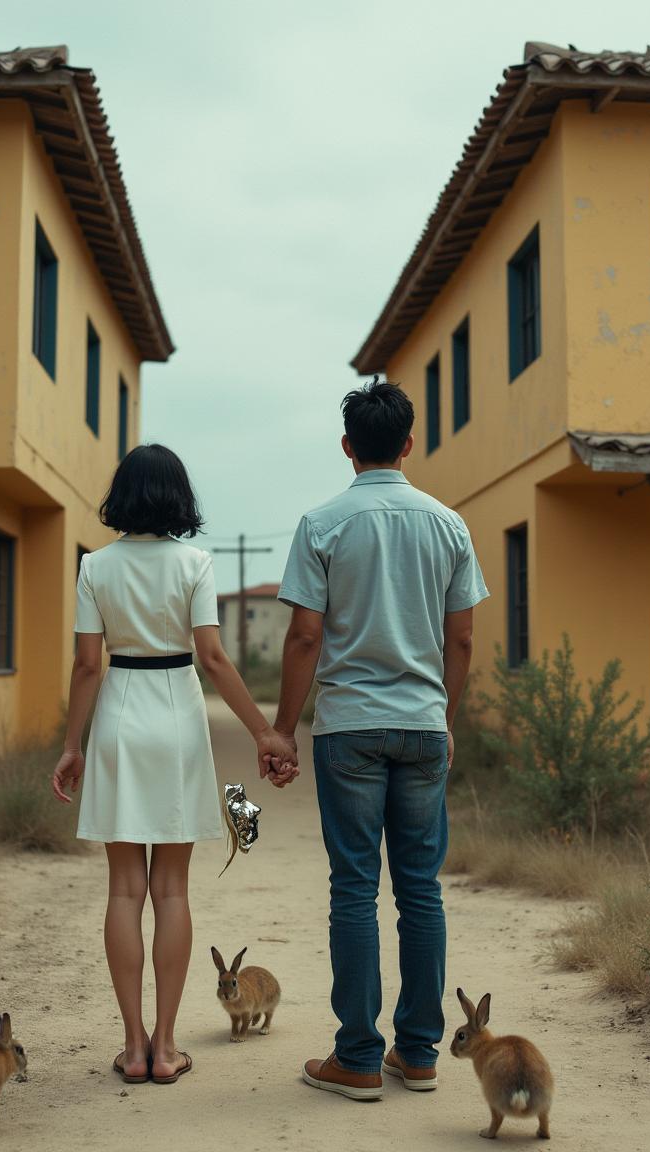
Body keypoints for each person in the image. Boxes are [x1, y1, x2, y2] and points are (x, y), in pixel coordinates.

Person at [267, 378, 488, 1101]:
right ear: (409, 442)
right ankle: (419, 1052)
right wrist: (444, 719)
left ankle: (358, 1058)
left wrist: (282, 730)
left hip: (349, 728)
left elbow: (304, 636)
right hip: (423, 725)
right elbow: (462, 637)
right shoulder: (448, 525)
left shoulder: (323, 524)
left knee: (354, 889)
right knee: (420, 890)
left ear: (346, 447)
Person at [52, 444, 297, 1086]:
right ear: (179, 497)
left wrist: (72, 744)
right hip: (178, 719)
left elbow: (85, 665)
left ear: (121, 496)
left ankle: (131, 1048)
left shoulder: (95, 567)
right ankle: (166, 1048)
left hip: (120, 718)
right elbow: (212, 658)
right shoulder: (195, 561)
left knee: (125, 889)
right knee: (172, 889)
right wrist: (265, 732)